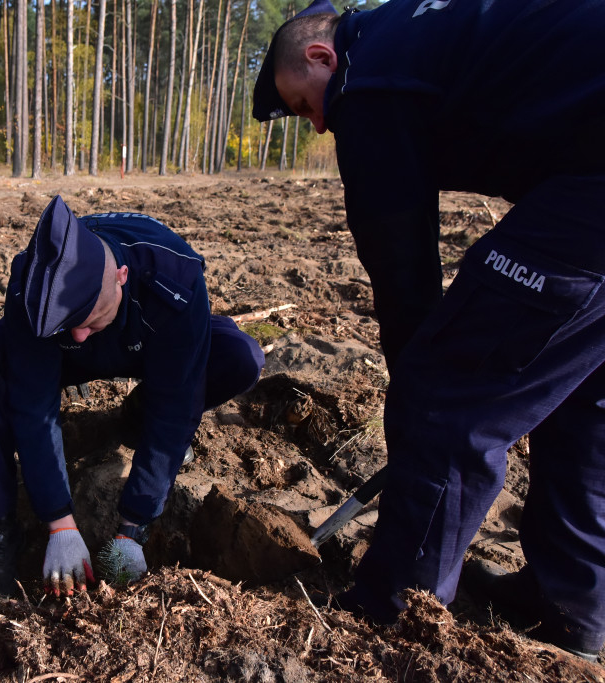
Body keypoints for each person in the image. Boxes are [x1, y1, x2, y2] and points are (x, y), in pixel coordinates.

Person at [253, 0, 605, 660]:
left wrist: (418, 413)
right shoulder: (414, 36)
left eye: (305, 105)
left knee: (447, 394)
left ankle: (392, 609)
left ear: (324, 59)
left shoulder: (367, 82)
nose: (320, 124)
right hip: (585, 176)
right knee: (579, 388)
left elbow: (402, 276)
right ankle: (573, 601)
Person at [0, 196, 266, 598]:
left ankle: (134, 420)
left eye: (89, 320)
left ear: (120, 275)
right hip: (58, 354)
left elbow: (177, 407)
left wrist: (133, 527)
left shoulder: (174, 276)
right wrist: (60, 524)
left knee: (240, 357)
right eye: (72, 324)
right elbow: (34, 406)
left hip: (151, 342)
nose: (80, 333)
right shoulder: (34, 283)